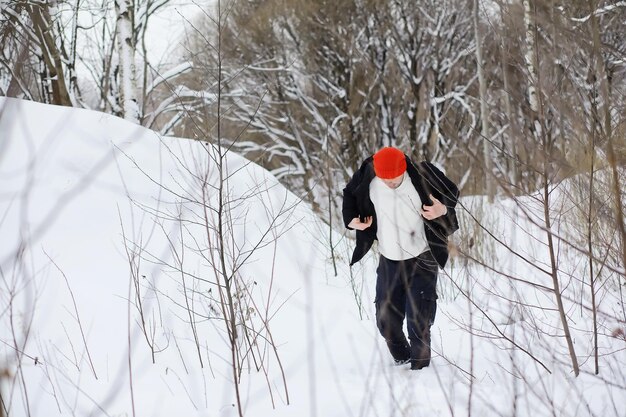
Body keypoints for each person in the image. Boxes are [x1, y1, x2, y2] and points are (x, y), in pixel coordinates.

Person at [342, 147, 459, 370]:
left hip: (422, 257)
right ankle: (402, 361)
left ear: (404, 169)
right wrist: (351, 221)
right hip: (389, 259)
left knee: (419, 321)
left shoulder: (423, 175)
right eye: (386, 181)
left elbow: (452, 192)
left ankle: (420, 370)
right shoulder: (368, 176)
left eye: (395, 179)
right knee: (385, 321)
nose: (391, 184)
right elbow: (349, 193)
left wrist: (441, 210)